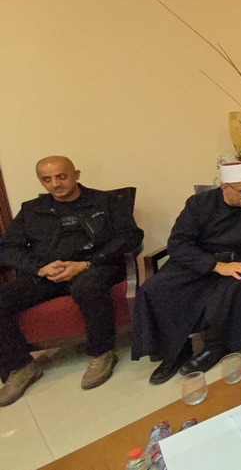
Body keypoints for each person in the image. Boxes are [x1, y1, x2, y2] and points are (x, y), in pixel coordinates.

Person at [0, 156, 144, 405]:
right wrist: (40, 269)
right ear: (41, 181)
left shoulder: (105, 201)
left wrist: (86, 263)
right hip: (49, 273)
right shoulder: (32, 210)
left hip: (95, 266)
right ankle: (21, 366)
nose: (55, 184)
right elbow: (7, 248)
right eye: (47, 179)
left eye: (61, 176)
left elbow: (130, 236)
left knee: (87, 287)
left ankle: (101, 352)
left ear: (76, 174)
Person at [131, 161, 241, 385]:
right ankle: (175, 350)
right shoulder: (199, 204)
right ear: (225, 187)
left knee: (238, 285)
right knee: (155, 288)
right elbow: (178, 243)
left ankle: (216, 347)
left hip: (240, 258)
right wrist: (215, 266)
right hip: (199, 259)